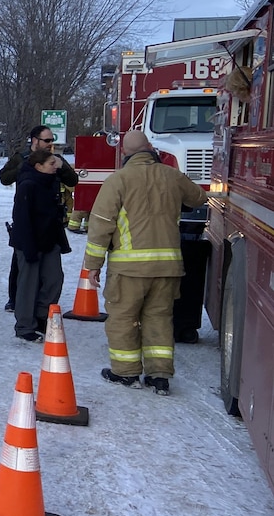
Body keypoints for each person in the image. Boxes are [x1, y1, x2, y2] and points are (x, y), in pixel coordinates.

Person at [84, 129, 207, 396]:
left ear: (124, 152)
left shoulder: (118, 180)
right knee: (159, 319)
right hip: (168, 268)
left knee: (123, 319)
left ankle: (125, 373)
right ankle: (159, 376)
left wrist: (93, 264)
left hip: (129, 269)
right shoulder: (172, 176)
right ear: (150, 147)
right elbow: (199, 197)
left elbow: (101, 225)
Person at [0, 125, 78, 312]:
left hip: (50, 216)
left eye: (52, 140)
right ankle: (15, 299)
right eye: (47, 140)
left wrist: (60, 167)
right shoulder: (21, 158)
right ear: (35, 140)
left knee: (49, 265)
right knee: (22, 260)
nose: (50, 144)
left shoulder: (55, 160)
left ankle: (41, 305)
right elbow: (4, 178)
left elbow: (72, 180)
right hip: (27, 211)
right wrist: (25, 166)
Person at [9, 149, 71, 342]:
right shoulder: (28, 185)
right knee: (28, 284)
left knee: (54, 280)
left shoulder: (51, 181)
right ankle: (25, 325)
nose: (55, 167)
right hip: (29, 242)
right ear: (38, 166)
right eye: (51, 164)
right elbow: (21, 218)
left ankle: (41, 316)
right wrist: (28, 249)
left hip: (49, 241)